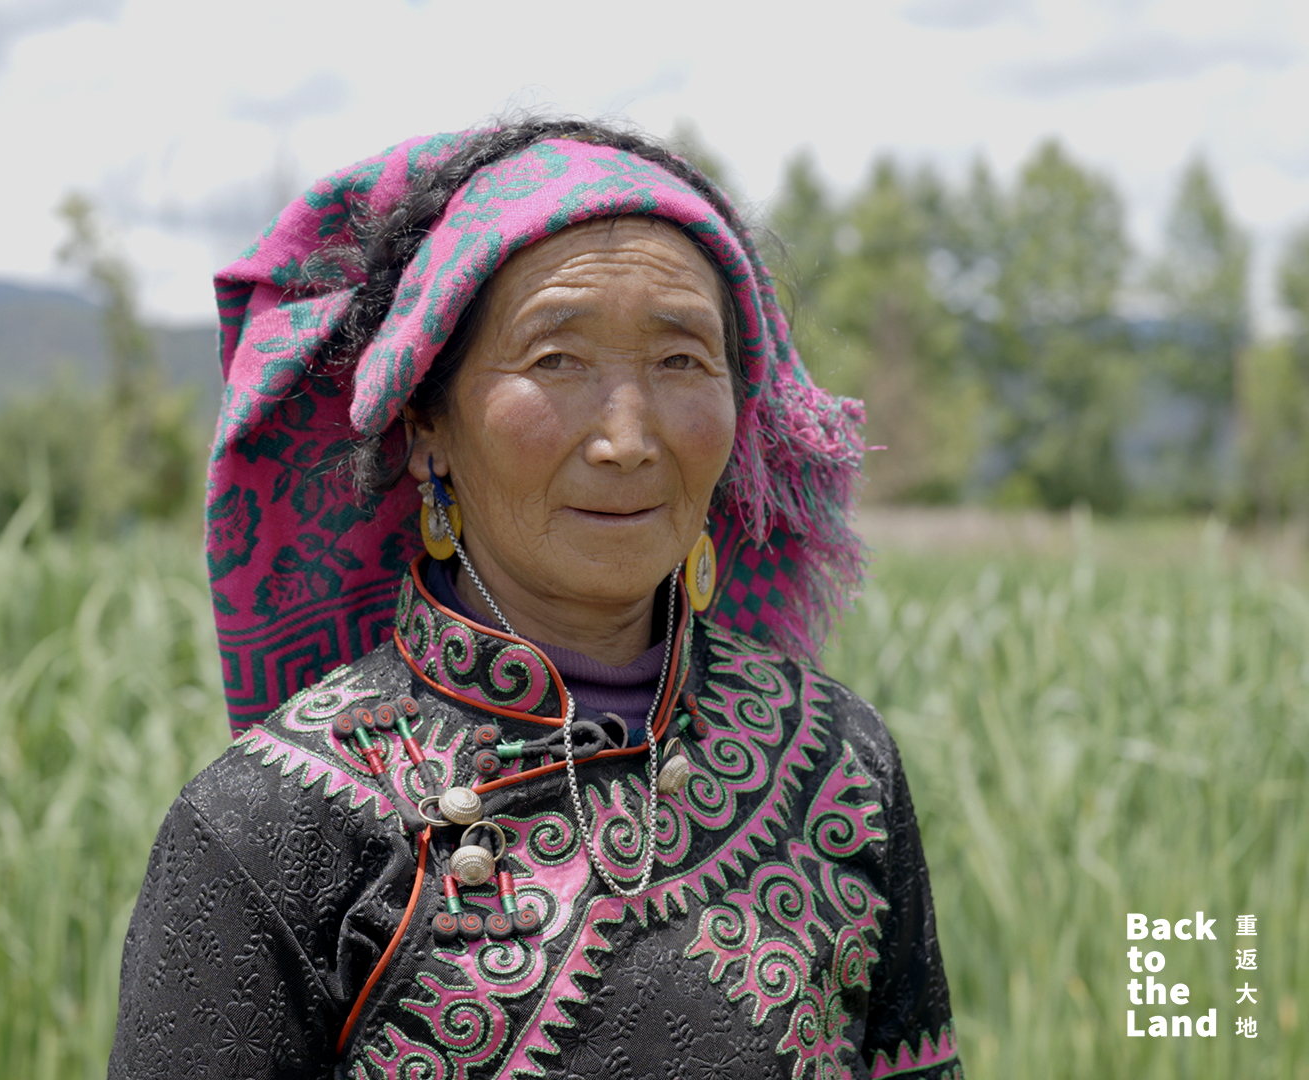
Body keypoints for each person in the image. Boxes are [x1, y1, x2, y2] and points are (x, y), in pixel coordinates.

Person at [108, 118, 962, 1080]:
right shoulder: (268, 827)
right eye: (556, 360)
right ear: (426, 425)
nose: (628, 441)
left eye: (682, 360)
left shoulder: (836, 762)